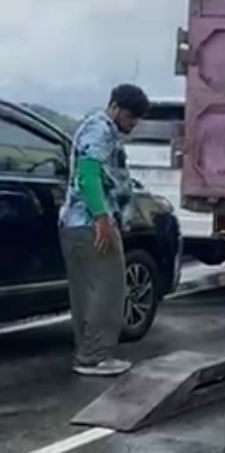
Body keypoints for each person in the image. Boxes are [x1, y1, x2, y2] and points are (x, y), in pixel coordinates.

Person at [59, 84, 149, 376]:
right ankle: (95, 357)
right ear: (116, 108)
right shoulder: (100, 131)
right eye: (131, 117)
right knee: (109, 288)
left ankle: (87, 353)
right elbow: (88, 174)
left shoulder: (95, 127)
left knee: (86, 292)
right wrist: (101, 218)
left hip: (76, 225)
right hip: (91, 224)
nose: (133, 123)